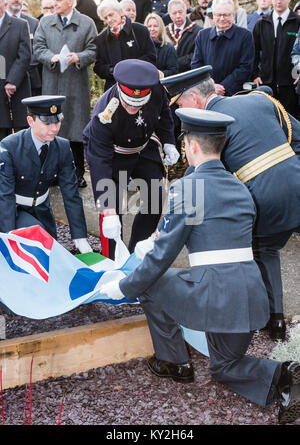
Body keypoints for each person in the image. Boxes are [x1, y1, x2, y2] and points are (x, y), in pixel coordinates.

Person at [99, 106, 300, 425]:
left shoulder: (188, 188)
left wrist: (123, 286)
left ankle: (173, 362)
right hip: (250, 300)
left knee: (150, 282)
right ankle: (285, 374)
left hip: (215, 296)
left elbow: (162, 255)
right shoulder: (242, 188)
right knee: (224, 367)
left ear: (191, 146)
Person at [161, 65, 300, 341]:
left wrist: (166, 216)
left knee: (264, 251)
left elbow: (199, 173)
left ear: (195, 99)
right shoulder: (259, 99)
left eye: (181, 105)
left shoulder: (211, 124)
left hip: (265, 201)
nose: (180, 114)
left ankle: (275, 321)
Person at [83, 59, 178, 260]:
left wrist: (169, 142)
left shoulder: (157, 91)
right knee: (111, 209)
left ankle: (139, 252)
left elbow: (164, 114)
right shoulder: (103, 113)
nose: (132, 108)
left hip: (143, 148)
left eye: (138, 103)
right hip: (113, 154)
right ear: (119, 90)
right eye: (127, 102)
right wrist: (108, 210)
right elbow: (99, 160)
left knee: (155, 195)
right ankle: (112, 258)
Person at [0, 95, 92, 254]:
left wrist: (80, 238)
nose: (54, 128)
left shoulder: (62, 147)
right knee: (35, 246)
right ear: (30, 121)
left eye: (57, 122)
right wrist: (9, 238)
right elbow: (5, 197)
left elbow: (71, 193)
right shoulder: (9, 147)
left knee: (52, 251)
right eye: (47, 123)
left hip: (42, 209)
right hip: (14, 210)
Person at [33, 0, 97, 189]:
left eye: (58, 0)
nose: (54, 4)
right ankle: (52, 174)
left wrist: (80, 57)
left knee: (76, 127)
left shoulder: (87, 23)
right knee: (51, 128)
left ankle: (77, 173)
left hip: (76, 83)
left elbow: (95, 49)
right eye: (53, 0)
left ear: (70, 1)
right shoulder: (45, 22)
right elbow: (38, 48)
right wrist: (49, 57)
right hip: (52, 82)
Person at [252, 0, 300, 118]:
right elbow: (253, 52)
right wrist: (255, 74)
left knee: (291, 123)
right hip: (266, 83)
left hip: (291, 83)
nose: (278, 1)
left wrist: (298, 73)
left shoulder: (297, 22)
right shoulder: (261, 23)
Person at [191, 0, 254, 96]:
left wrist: (224, 87)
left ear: (233, 15)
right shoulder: (202, 35)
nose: (222, 18)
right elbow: (196, 64)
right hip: (207, 93)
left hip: (234, 93)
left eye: (226, 15)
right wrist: (211, 86)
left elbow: (245, 67)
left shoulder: (245, 36)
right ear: (213, 16)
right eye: (218, 15)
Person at [94, 0, 156, 92]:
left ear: (120, 12)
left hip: (140, 85)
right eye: (105, 18)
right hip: (114, 89)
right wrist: (113, 70)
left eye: (111, 15)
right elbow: (98, 67)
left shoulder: (140, 30)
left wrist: (130, 68)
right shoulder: (100, 39)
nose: (109, 19)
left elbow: (151, 57)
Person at [0, 0, 31, 140]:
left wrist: (12, 81)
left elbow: (24, 56)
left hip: (16, 87)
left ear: (5, 5)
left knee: (20, 135)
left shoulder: (20, 25)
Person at [5, 0, 42, 96]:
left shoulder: (34, 23)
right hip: (4, 78)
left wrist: (18, 72)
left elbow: (38, 50)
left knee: (29, 113)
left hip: (30, 80)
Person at [166, 0, 201, 73]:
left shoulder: (198, 31)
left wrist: (175, 63)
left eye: (180, 12)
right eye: (174, 13)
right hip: (169, 74)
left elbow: (196, 55)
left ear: (185, 12)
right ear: (170, 15)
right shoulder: (165, 31)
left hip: (188, 73)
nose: (178, 16)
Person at [145, 12, 178, 77]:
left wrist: (159, 74)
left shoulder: (168, 48)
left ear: (161, 28)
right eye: (149, 26)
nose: (152, 29)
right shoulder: (141, 46)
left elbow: (174, 71)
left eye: (155, 26)